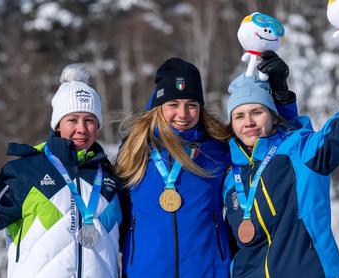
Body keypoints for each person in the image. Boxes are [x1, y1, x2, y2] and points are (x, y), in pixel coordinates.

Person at [0, 63, 122, 278]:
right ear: (58, 124)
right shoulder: (27, 172)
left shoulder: (110, 178)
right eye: (72, 120)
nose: (82, 129)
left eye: (90, 121)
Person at [115, 56, 297, 278]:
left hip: (208, 271)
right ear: (158, 107)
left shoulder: (218, 148)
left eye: (191, 105)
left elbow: (277, 143)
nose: (183, 115)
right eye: (173, 105)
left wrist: (282, 97)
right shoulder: (134, 150)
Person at [222, 26, 339, 278]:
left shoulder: (303, 153)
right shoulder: (230, 175)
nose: (248, 122)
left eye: (257, 112)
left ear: (273, 116)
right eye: (239, 115)